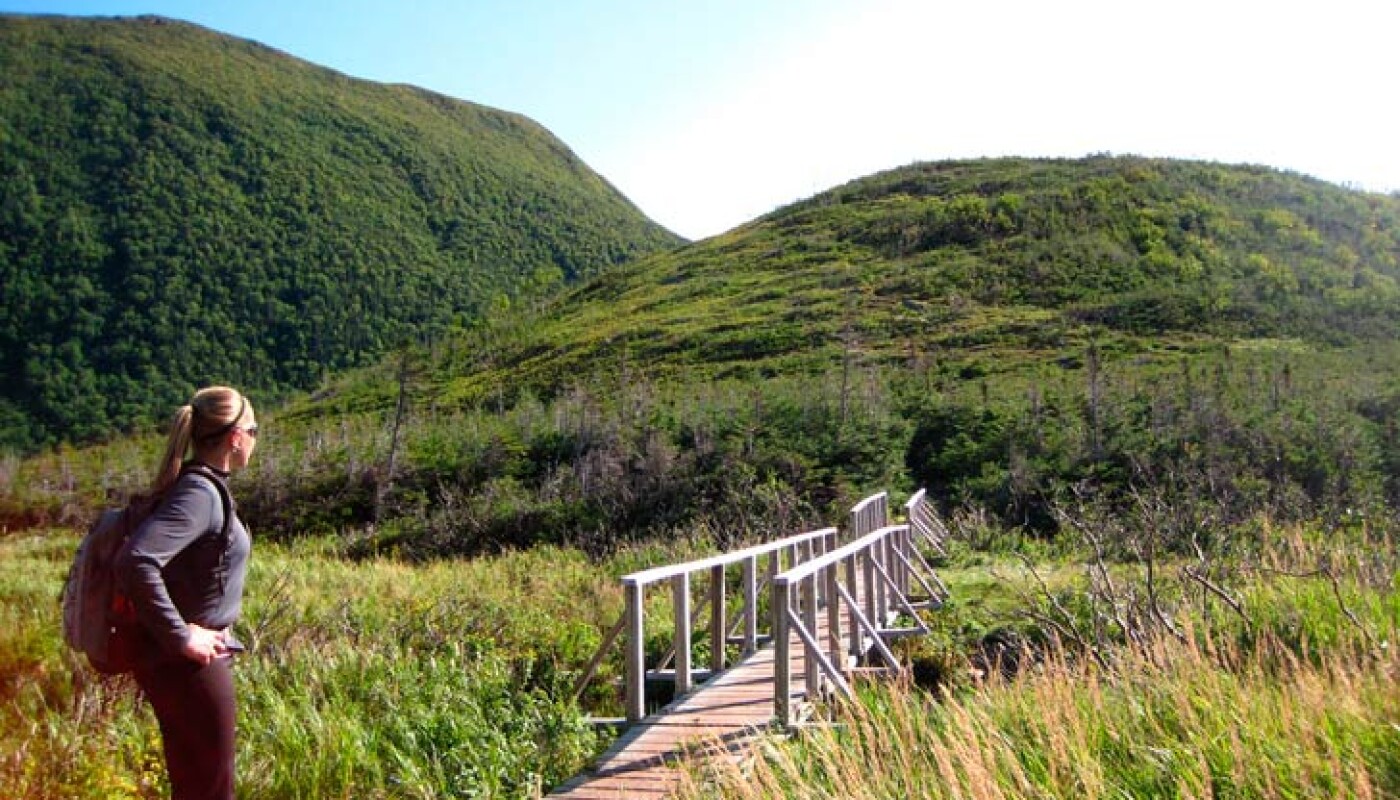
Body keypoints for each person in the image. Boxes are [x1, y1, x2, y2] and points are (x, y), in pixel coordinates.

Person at [115, 386, 257, 800]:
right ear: (234, 438)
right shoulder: (200, 494)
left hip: (177, 665)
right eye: (253, 428)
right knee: (213, 790)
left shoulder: (199, 486)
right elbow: (136, 560)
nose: (255, 438)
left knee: (193, 787)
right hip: (191, 668)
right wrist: (182, 636)